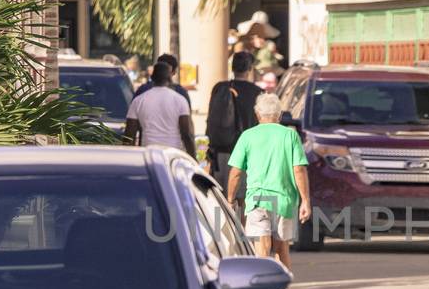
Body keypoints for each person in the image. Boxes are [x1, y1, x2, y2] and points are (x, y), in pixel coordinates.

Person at [226, 93, 310, 267]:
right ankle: (283, 288)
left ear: (257, 114)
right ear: (279, 115)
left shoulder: (247, 136)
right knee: (282, 249)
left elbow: (235, 172)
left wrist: (230, 199)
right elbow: (299, 169)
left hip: (258, 200)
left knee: (262, 250)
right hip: (284, 201)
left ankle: (264, 288)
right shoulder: (290, 135)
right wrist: (305, 201)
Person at [206, 51, 262, 184]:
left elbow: (211, 118)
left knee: (222, 199)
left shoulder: (219, 88)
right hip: (246, 154)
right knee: (243, 199)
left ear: (232, 68)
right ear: (249, 69)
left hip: (221, 151)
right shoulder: (257, 92)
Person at [125, 60, 196, 155]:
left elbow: (130, 135)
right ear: (170, 79)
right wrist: (193, 158)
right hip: (173, 154)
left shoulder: (139, 100)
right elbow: (186, 133)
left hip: (148, 153)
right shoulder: (180, 100)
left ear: (152, 78)